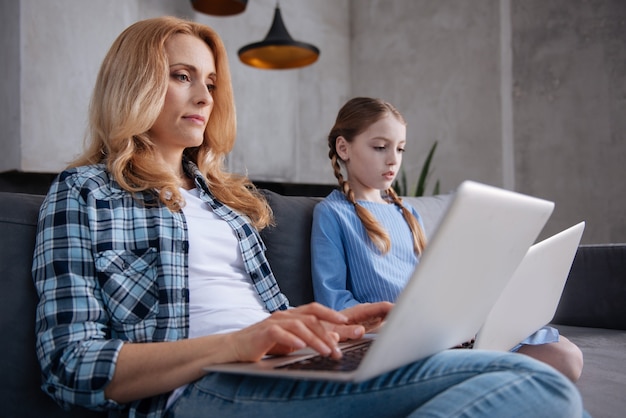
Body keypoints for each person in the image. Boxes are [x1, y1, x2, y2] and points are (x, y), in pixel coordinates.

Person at [32, 16, 585, 418]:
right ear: (135, 82)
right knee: (542, 390)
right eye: (182, 75)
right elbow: (69, 366)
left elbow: (267, 321)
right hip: (199, 391)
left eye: (211, 82)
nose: (204, 94)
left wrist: (340, 330)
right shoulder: (83, 193)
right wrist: (236, 344)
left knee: (537, 375)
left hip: (275, 373)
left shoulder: (225, 206)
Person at [311, 97, 584, 382]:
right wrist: (395, 323)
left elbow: (435, 282)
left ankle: (479, 370)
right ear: (344, 148)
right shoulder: (332, 214)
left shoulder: (407, 212)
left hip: (445, 328)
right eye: (380, 147)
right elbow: (334, 305)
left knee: (565, 356)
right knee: (554, 364)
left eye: (400, 149)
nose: (393, 159)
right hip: (404, 340)